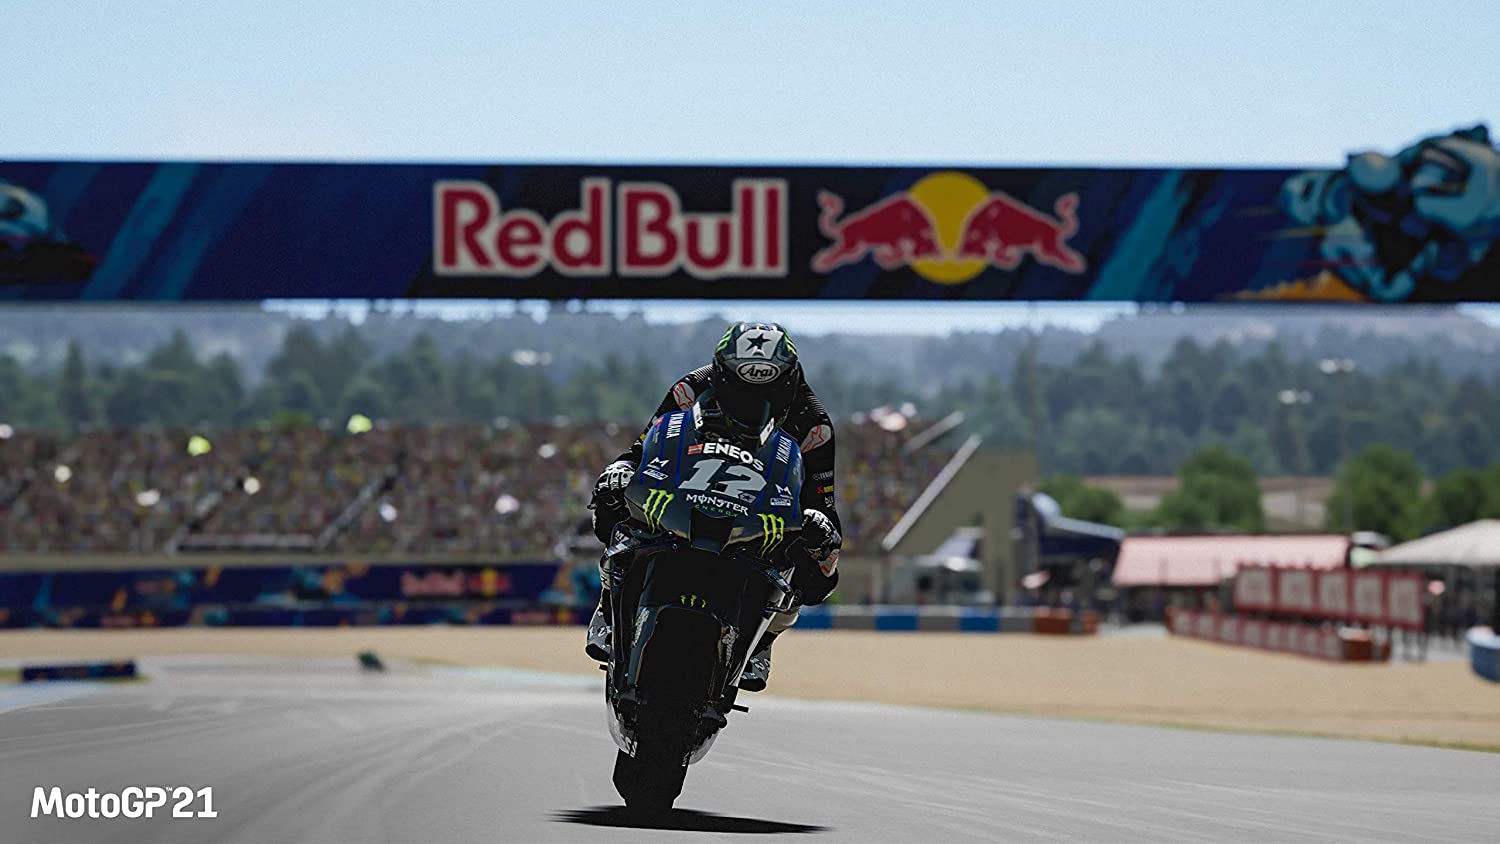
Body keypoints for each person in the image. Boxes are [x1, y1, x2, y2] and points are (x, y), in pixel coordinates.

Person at [585, 322, 841, 691]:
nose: (753, 402)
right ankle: (609, 604)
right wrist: (621, 469)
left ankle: (762, 641)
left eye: (767, 391)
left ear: (788, 382)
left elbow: (821, 500)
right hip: (685, 493)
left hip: (757, 512)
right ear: (721, 374)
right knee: (612, 495)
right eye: (740, 388)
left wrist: (819, 527)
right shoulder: (691, 388)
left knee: (821, 558)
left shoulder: (813, 423)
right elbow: (643, 448)